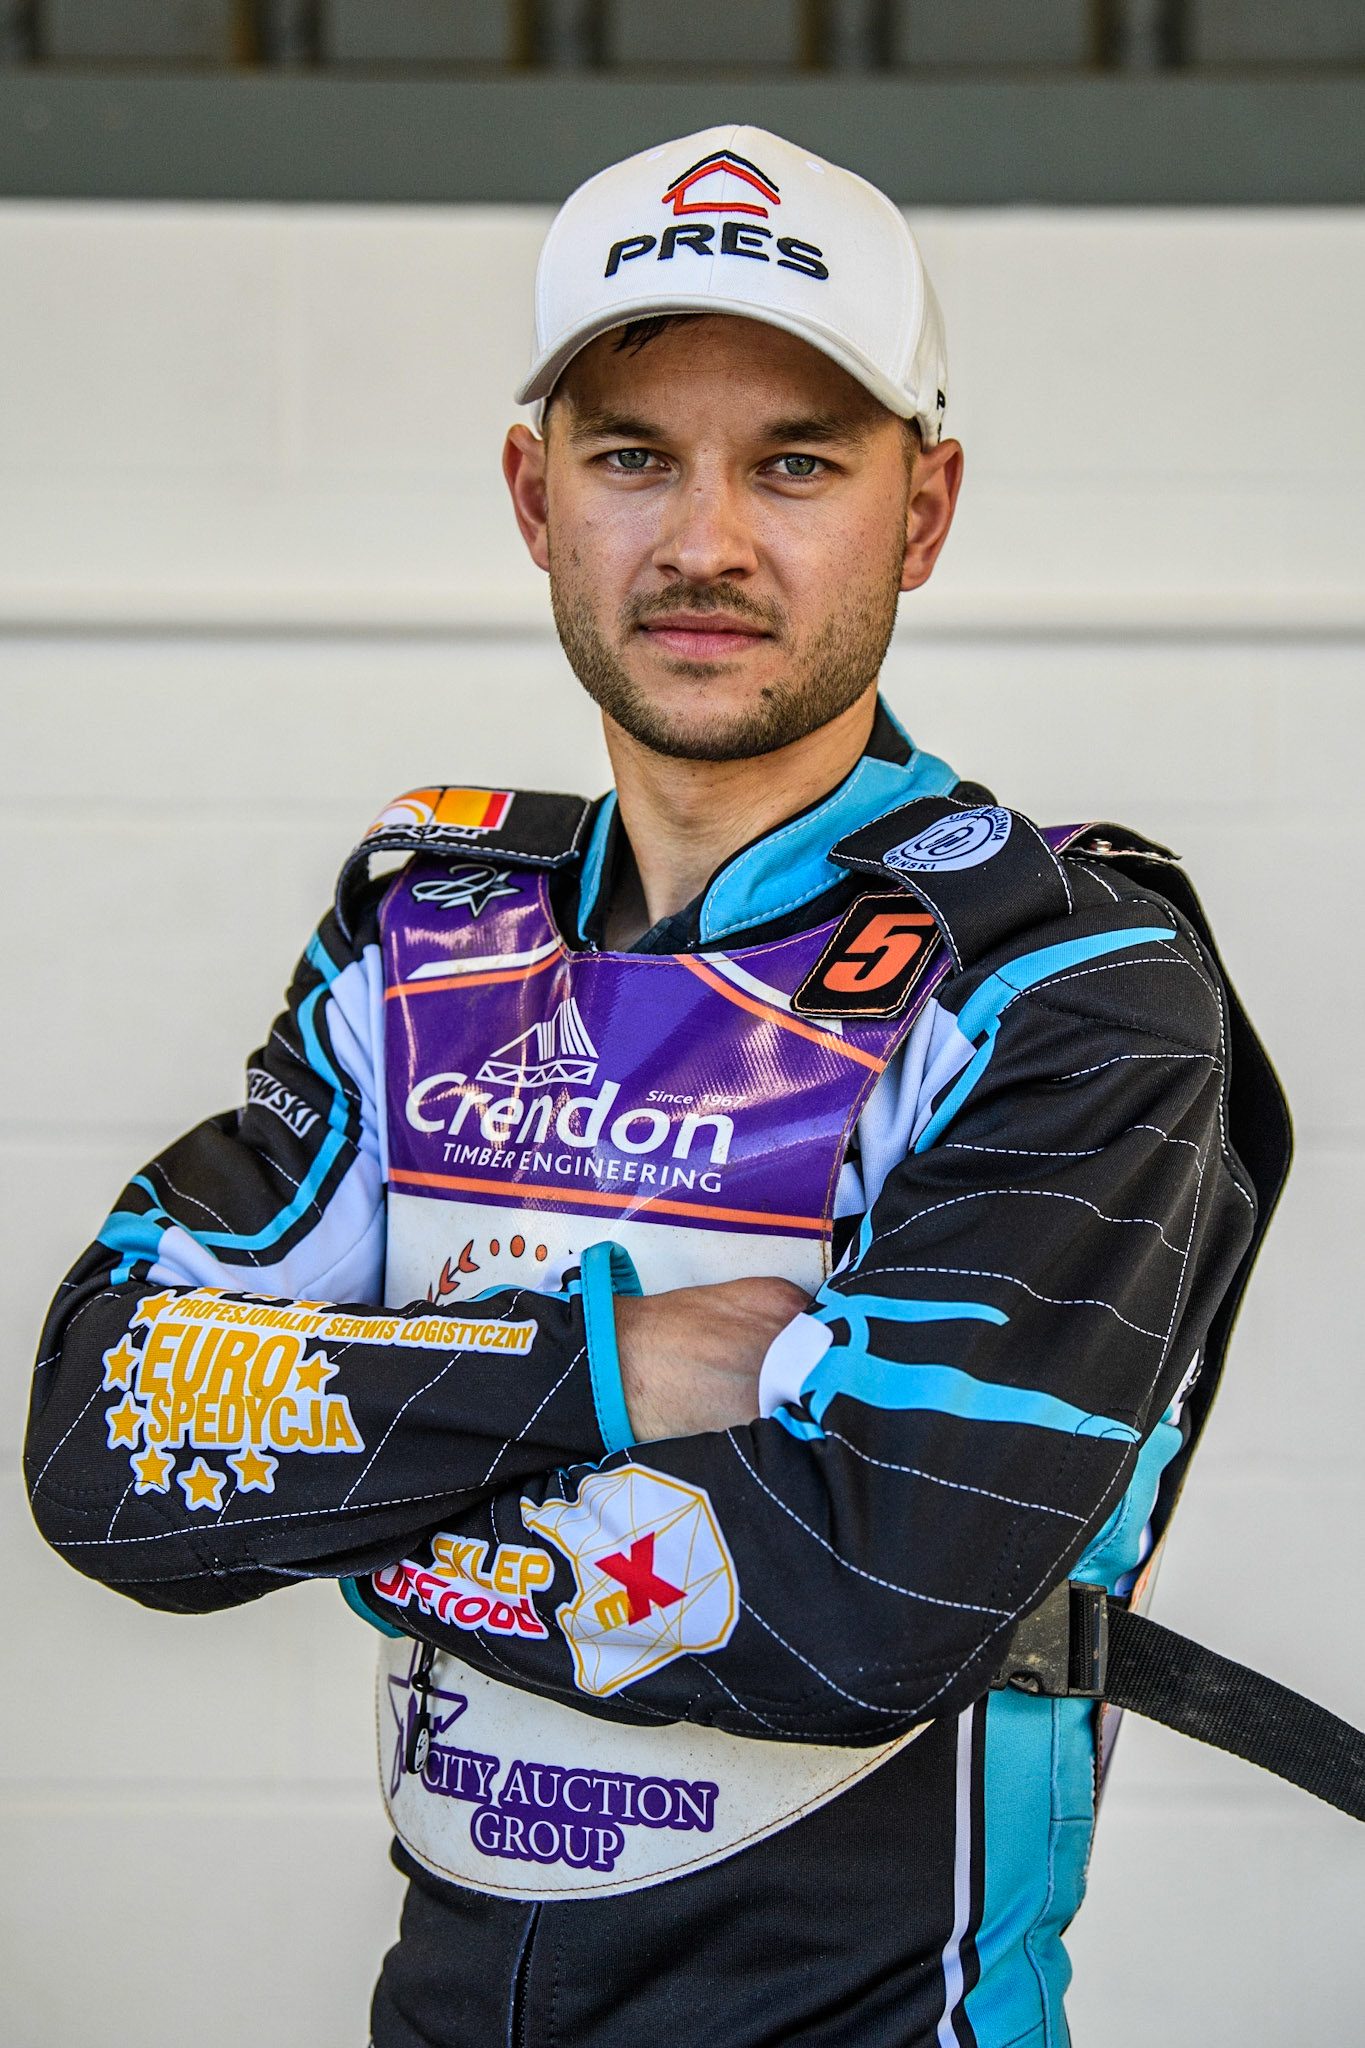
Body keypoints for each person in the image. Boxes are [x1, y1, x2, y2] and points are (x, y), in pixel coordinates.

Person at [25, 126, 1289, 2046]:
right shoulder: (424, 933)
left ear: (922, 512)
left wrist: (356, 1495)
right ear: (535, 500)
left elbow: (858, 1609)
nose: (705, 542)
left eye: (795, 462)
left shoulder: (1067, 981)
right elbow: (109, 1448)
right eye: (634, 458)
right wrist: (620, 1367)